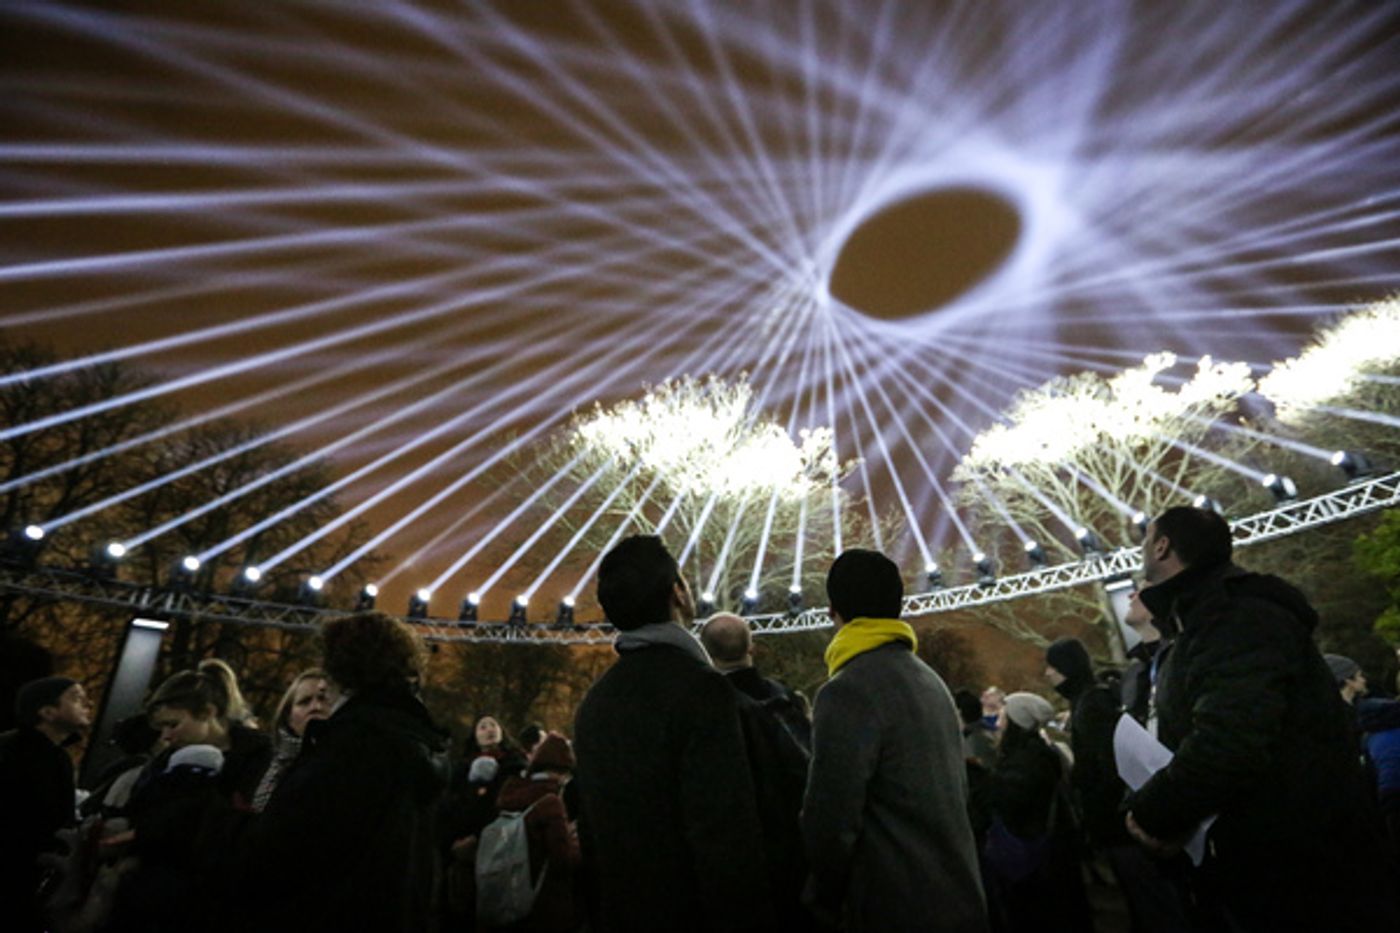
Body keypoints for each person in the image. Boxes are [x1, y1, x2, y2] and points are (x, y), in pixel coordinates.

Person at [1125, 506, 1400, 931]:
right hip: (1283, 868)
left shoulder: (1235, 618)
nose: (1140, 550)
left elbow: (1229, 742)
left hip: (1305, 878)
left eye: (1145, 539)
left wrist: (1149, 812)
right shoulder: (1208, 620)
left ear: (1162, 546)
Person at [573, 535, 773, 933]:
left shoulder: (594, 703)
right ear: (677, 594)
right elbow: (724, 832)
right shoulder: (701, 689)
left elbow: (593, 840)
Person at [218, 611, 451, 932]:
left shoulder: (351, 746)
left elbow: (281, 852)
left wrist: (228, 823)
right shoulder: (414, 743)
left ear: (339, 670)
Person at [801, 549, 988, 933]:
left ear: (833, 612)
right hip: (959, 897)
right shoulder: (930, 681)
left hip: (897, 906)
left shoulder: (847, 690)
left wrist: (821, 900)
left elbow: (832, 820)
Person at [1046, 638, 1192, 933]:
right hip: (1116, 823)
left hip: (1119, 825)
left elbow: (1109, 767)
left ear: (1067, 667)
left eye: (1052, 666)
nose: (1047, 674)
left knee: (1153, 906)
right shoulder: (1087, 702)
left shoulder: (1091, 704)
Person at [700, 612, 813, 929]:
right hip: (796, 852)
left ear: (707, 654)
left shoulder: (710, 709)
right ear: (753, 646)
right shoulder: (784, 699)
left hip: (746, 858)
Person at [449, 731, 583, 932]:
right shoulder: (550, 803)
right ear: (561, 770)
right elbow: (562, 858)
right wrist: (577, 843)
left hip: (510, 898)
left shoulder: (511, 793)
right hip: (544, 906)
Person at [982, 691, 1093, 933]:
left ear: (1016, 723)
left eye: (1003, 717)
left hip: (1037, 866)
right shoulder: (1040, 754)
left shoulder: (1027, 762)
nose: (998, 723)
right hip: (1048, 859)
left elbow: (1007, 801)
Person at [0, 676, 91, 933]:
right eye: (75, 697)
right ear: (47, 712)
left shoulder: (53, 754)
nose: (87, 703)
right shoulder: (20, 754)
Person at [250, 669, 334, 811]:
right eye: (304, 702)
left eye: (323, 699)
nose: (315, 707)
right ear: (288, 718)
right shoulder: (259, 764)